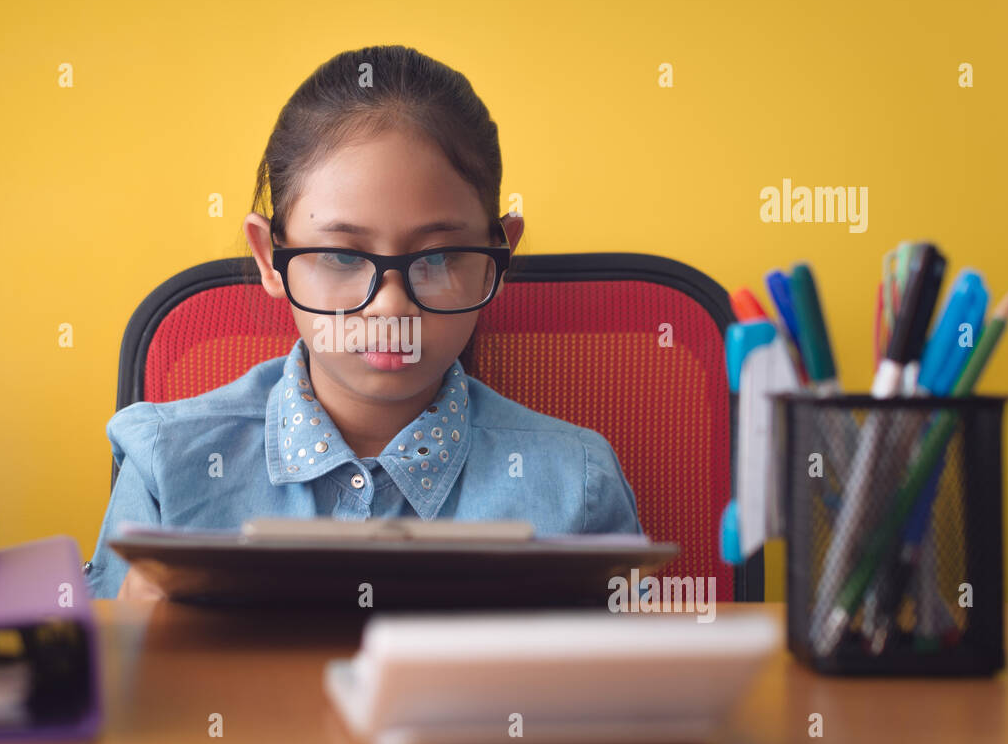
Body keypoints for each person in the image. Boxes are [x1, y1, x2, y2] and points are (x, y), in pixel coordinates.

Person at [86, 44, 641, 600]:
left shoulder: (578, 485)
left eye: (440, 258)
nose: (390, 309)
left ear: (498, 257)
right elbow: (101, 680)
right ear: (268, 259)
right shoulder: (168, 468)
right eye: (344, 257)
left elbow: (641, 681)